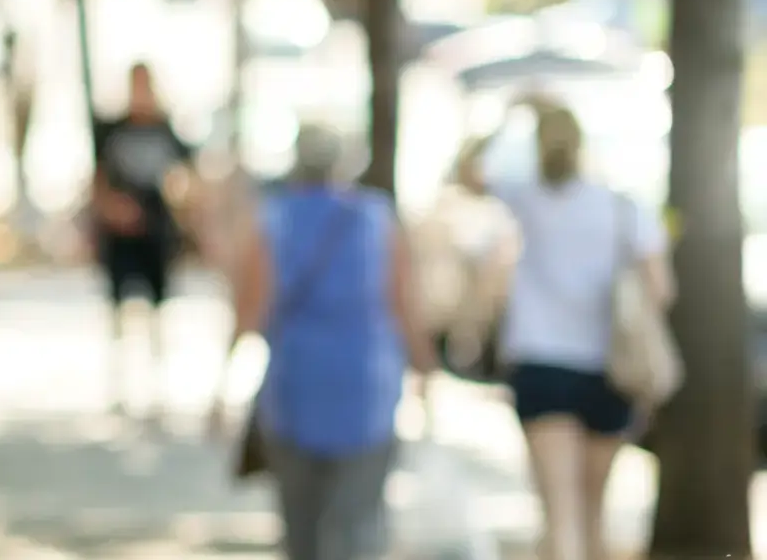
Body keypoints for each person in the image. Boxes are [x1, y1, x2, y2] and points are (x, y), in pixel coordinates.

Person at [457, 96, 674, 560]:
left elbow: (466, 170)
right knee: (593, 515)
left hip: (542, 365)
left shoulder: (526, 196)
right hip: (610, 371)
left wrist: (506, 113)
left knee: (561, 515)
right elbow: (661, 290)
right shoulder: (623, 208)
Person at [224, 124, 436, 560]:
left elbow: (251, 308)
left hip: (295, 389)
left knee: (301, 531)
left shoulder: (275, 218)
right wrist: (426, 369)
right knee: (358, 525)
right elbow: (404, 306)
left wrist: (221, 383)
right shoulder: (377, 218)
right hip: (366, 391)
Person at [89, 63, 194, 414]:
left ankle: (157, 388)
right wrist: (112, 209)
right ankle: (120, 387)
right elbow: (97, 181)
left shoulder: (167, 131)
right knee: (120, 313)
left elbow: (186, 178)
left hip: (156, 233)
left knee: (158, 313)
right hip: (120, 237)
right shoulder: (111, 131)